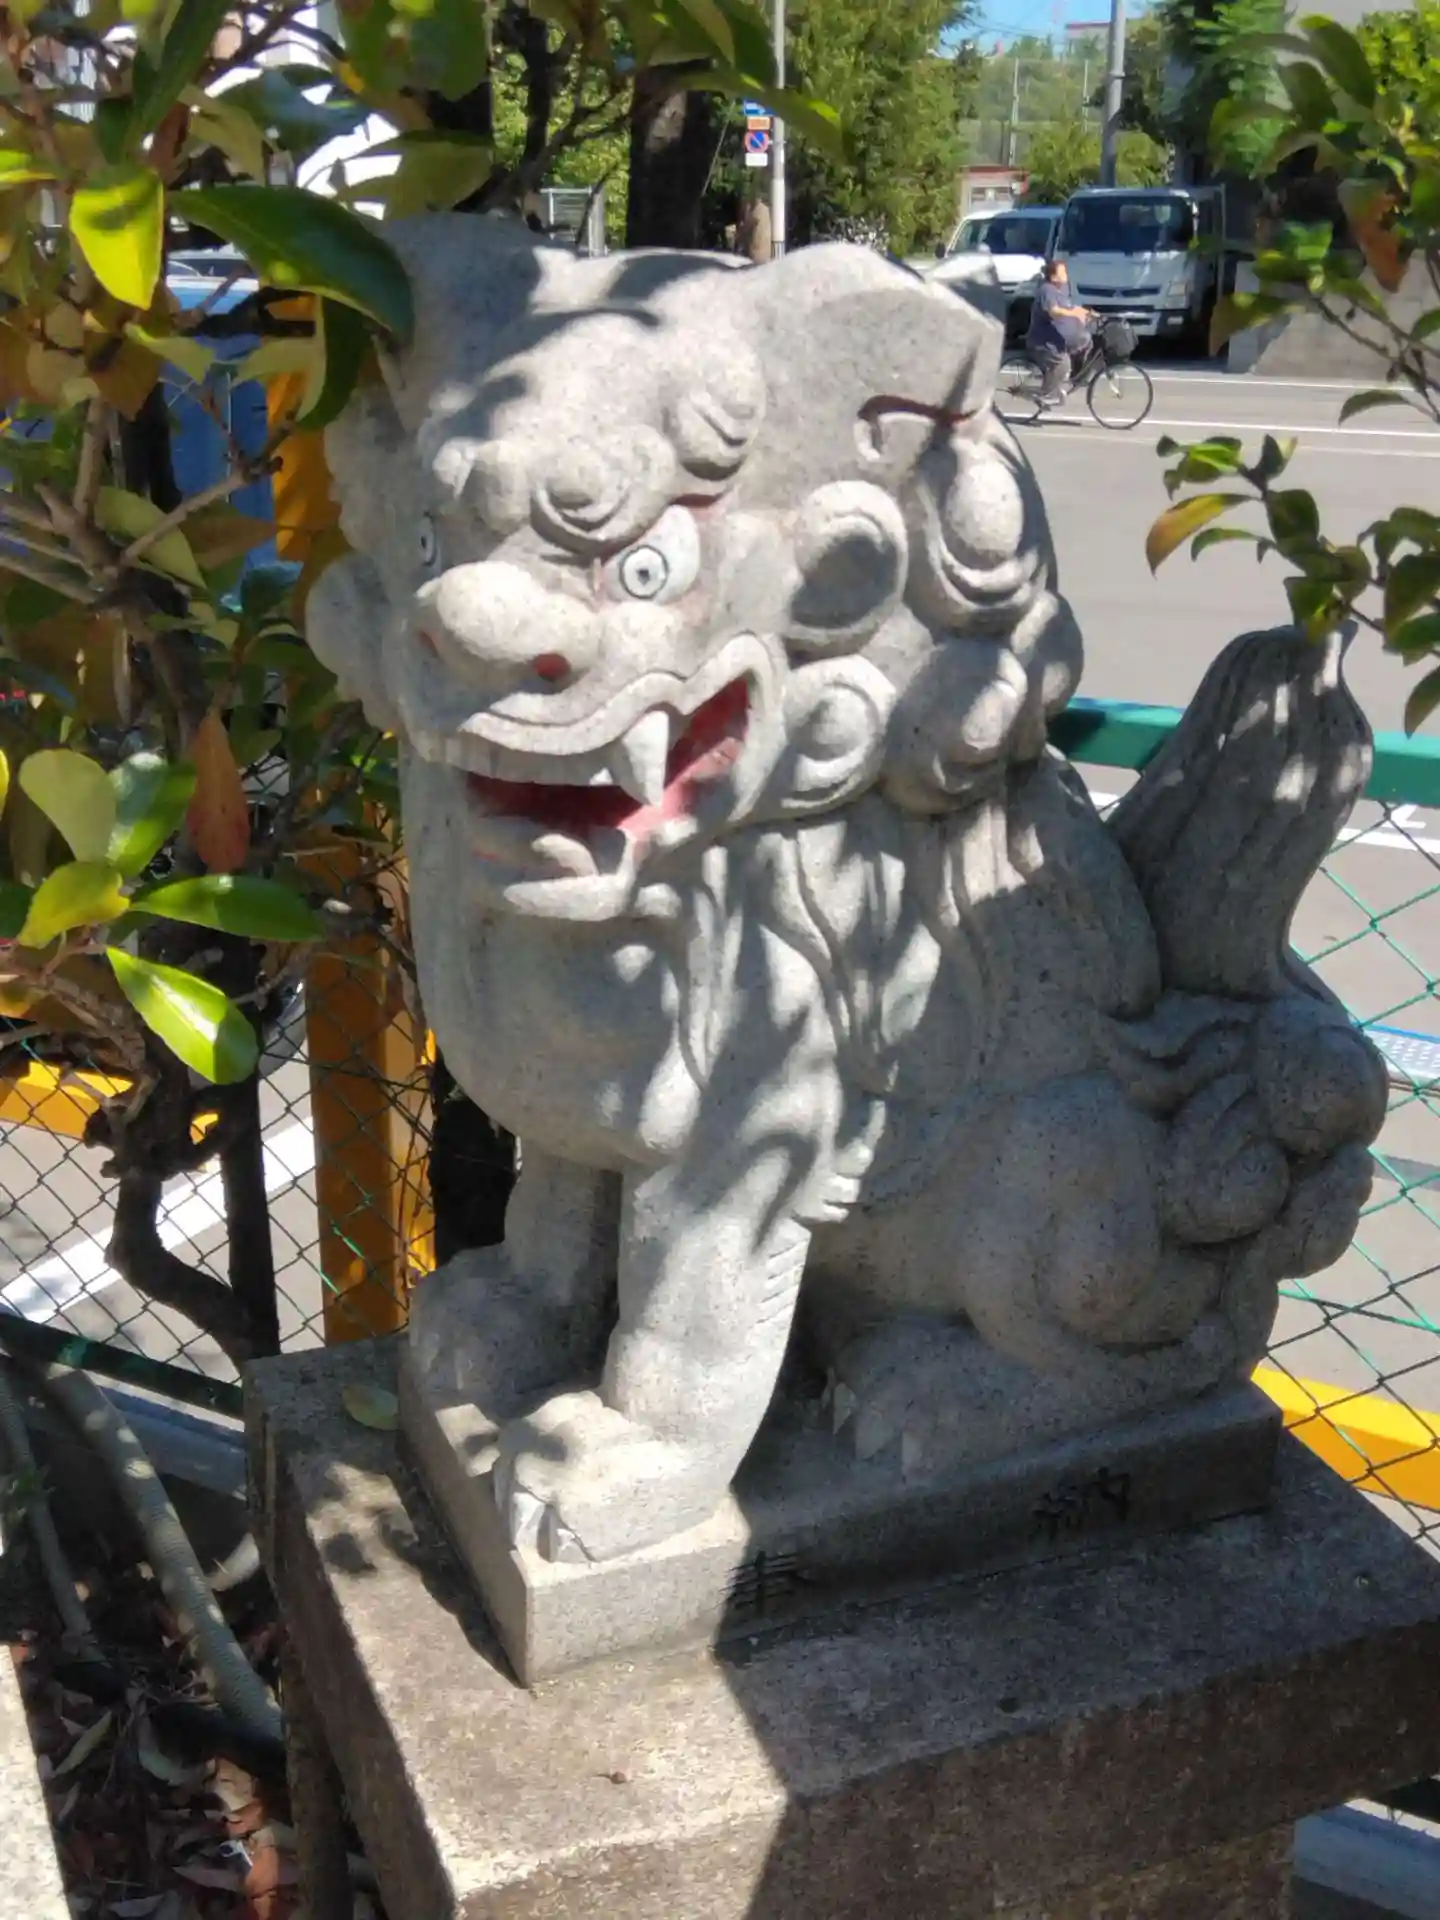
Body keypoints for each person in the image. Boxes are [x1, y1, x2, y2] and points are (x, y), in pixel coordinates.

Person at [1026, 259, 1094, 406]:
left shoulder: (1062, 289)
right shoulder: (1047, 290)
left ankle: (1073, 378)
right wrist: (1074, 314)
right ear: (1053, 277)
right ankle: (1048, 395)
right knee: (1064, 362)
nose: (1066, 275)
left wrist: (1090, 314)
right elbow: (1054, 311)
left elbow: (1071, 307)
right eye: (1062, 273)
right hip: (1042, 343)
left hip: (1057, 340)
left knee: (1086, 340)